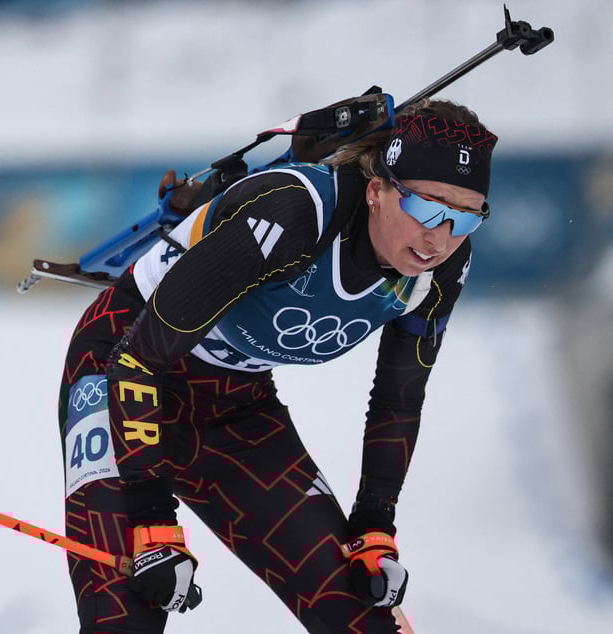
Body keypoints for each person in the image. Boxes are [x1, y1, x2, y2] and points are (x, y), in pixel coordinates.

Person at [58, 98, 497, 633]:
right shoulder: (295, 214)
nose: (440, 237)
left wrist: (374, 524)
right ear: (377, 190)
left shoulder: (440, 271)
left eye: (465, 217)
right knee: (122, 623)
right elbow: (138, 359)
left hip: (236, 407)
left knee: (362, 618)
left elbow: (398, 398)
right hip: (121, 368)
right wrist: (152, 520)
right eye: (428, 208)